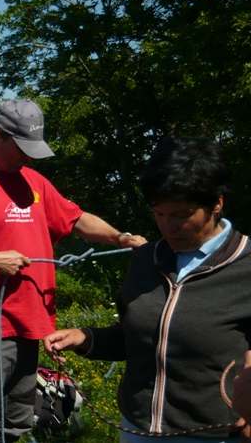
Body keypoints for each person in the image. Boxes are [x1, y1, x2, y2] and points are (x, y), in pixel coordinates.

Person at [0, 98, 147, 443]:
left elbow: (77, 219)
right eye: (22, 148)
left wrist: (120, 236)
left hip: (30, 323)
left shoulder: (34, 181)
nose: (28, 157)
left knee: (15, 419)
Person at [44, 135, 249, 443]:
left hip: (216, 435)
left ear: (216, 202)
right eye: (159, 213)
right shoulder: (146, 259)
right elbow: (139, 339)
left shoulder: (245, 266)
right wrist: (85, 338)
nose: (167, 226)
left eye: (181, 215)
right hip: (137, 429)